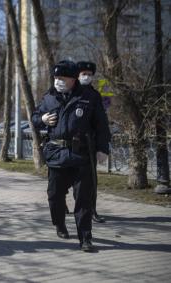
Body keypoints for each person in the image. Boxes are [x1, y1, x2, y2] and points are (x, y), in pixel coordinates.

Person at [32, 60, 111, 252]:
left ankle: (85, 238)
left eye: (62, 78)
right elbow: (35, 118)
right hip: (57, 154)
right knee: (55, 196)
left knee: (83, 199)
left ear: (73, 79)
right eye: (56, 78)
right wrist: (41, 119)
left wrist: (103, 149)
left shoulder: (89, 96)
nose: (58, 82)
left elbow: (101, 125)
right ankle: (59, 224)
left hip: (82, 155)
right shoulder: (49, 97)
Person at [77, 61, 111, 224]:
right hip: (67, 145)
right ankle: (62, 208)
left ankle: (91, 210)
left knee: (90, 181)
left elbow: (102, 124)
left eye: (89, 74)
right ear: (77, 75)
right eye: (83, 73)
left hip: (88, 145)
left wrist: (102, 148)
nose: (86, 77)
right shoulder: (69, 92)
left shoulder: (95, 95)